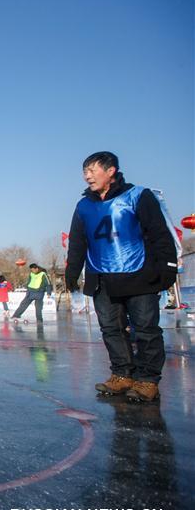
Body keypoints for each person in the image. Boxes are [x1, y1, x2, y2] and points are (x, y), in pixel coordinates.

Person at [66, 151, 177, 402]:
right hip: (101, 278)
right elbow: (77, 241)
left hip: (138, 274)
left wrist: (167, 267)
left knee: (146, 329)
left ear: (111, 170)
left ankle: (148, 379)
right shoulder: (83, 205)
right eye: (85, 172)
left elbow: (159, 233)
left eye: (92, 170)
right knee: (111, 329)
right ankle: (122, 374)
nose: (87, 176)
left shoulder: (138, 196)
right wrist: (72, 272)